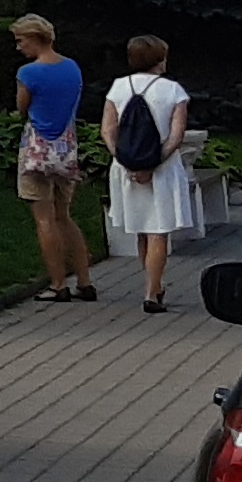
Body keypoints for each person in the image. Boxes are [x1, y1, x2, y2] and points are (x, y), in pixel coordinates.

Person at [102, 33, 200, 313]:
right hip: (162, 170)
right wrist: (153, 162)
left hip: (125, 171)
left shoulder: (118, 87)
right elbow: (176, 135)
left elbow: (108, 130)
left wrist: (125, 160)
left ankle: (153, 284)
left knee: (142, 231)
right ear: (160, 58)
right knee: (159, 231)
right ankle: (152, 292)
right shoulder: (173, 91)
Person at [10, 15, 95, 301]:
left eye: (21, 41)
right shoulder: (72, 68)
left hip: (36, 150)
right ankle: (85, 281)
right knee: (64, 216)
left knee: (44, 219)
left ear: (35, 38)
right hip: (66, 148)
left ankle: (58, 285)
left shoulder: (28, 73)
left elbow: (22, 109)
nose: (19, 47)